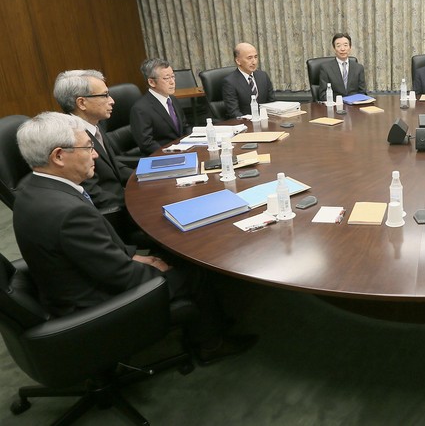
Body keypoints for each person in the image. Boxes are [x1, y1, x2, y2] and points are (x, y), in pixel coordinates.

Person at [13, 112, 257, 364]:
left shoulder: (32, 188)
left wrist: (135, 256)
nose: (95, 154)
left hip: (72, 281)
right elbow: (120, 277)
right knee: (194, 271)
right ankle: (211, 345)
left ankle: (210, 319)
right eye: (87, 148)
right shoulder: (67, 212)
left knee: (166, 259)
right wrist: (159, 269)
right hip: (92, 303)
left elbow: (92, 251)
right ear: (59, 156)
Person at [53, 69, 139, 241]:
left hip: (122, 203)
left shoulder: (93, 126)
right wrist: (139, 202)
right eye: (105, 95)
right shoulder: (72, 139)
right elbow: (93, 195)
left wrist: (149, 177)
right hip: (112, 220)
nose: (112, 101)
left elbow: (115, 167)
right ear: (82, 103)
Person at [130, 58, 190, 154]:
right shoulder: (140, 109)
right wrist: (170, 153)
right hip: (163, 157)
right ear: (151, 82)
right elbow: (147, 144)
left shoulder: (172, 99)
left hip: (182, 151)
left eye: (173, 76)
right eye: (167, 78)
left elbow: (185, 126)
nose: (172, 82)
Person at [222, 42, 276, 117]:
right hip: (246, 124)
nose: (254, 62)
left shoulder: (263, 76)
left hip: (266, 121)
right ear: (238, 61)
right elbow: (234, 113)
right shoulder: (230, 82)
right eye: (249, 58)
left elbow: (271, 103)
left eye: (256, 57)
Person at [317, 32, 367, 101]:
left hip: (354, 107)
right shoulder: (326, 68)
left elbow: (362, 93)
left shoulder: (359, 68)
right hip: (335, 107)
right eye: (338, 46)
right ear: (334, 49)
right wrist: (341, 101)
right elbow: (323, 95)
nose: (342, 49)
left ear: (350, 48)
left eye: (345, 45)